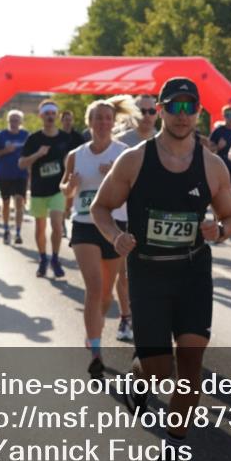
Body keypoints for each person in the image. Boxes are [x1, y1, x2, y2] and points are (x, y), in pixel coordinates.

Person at [92, 77, 231, 461]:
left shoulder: (212, 165)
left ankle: (171, 454)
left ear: (198, 112)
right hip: (149, 273)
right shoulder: (135, 160)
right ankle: (135, 379)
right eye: (172, 106)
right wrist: (114, 237)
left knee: (190, 366)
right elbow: (102, 207)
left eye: (189, 106)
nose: (181, 114)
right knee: (158, 371)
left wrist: (220, 230)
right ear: (158, 109)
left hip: (192, 272)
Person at [61, 97, 132, 378]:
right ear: (89, 122)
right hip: (85, 224)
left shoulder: (125, 153)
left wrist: (112, 180)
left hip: (116, 225)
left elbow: (134, 191)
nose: (103, 122)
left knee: (105, 293)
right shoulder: (76, 154)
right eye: (98, 118)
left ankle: (94, 332)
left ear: (114, 123)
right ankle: (96, 350)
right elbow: (65, 190)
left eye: (107, 118)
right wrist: (71, 185)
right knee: (94, 286)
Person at [110, 93, 159, 342]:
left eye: (152, 111)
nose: (148, 116)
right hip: (125, 215)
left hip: (156, 216)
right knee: (125, 273)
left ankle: (153, 321)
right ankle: (126, 317)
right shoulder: (120, 143)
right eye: (143, 111)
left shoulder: (167, 141)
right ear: (134, 114)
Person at [20, 100, 73, 278]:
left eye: (52, 113)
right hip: (38, 189)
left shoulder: (65, 139)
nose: (50, 116)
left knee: (57, 225)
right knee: (40, 227)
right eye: (46, 113)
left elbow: (73, 161)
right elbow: (21, 164)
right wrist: (38, 154)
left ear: (56, 116)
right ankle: (43, 258)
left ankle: (55, 259)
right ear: (41, 116)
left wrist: (70, 168)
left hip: (58, 189)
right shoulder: (33, 139)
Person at [0, 110, 29, 245]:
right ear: (8, 122)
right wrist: (5, 151)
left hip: (21, 174)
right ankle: (6, 228)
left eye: (16, 120)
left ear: (20, 122)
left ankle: (18, 232)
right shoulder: (2, 136)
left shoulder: (25, 135)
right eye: (11, 120)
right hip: (5, 174)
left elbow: (31, 153)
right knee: (6, 202)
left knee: (19, 201)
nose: (14, 123)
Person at [207, 104, 231, 207]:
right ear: (223, 116)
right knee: (226, 198)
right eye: (227, 115)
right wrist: (218, 147)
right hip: (222, 168)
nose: (230, 117)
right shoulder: (218, 131)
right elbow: (208, 149)